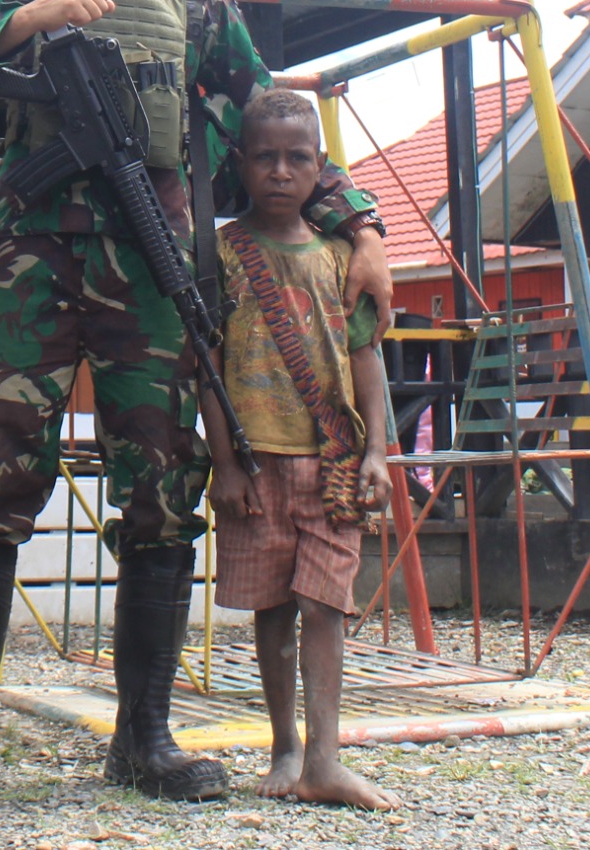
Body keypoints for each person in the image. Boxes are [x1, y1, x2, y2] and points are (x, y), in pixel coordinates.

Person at [0, 0, 394, 803]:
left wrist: (360, 220)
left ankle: (147, 732)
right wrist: (30, 22)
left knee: (164, 482)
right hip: (34, 259)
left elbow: (270, 117)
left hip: (154, 267)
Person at [204, 89, 395, 811]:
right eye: (265, 158)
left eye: (298, 159)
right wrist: (223, 464)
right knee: (273, 610)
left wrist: (377, 451)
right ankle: (284, 745)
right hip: (255, 465)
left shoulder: (344, 257)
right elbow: (206, 367)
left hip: (335, 463)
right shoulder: (221, 254)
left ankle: (325, 755)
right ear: (241, 165)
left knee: (327, 607)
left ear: (322, 169)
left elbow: (367, 359)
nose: (281, 172)